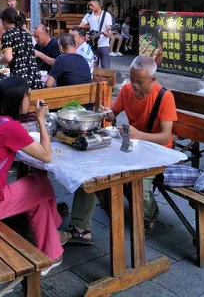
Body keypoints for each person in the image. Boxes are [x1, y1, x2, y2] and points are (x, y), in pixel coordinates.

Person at [68, 55, 177, 244]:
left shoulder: (165, 97)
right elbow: (113, 113)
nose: (134, 85)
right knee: (93, 171)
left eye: (139, 82)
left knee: (138, 186)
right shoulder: (126, 90)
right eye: (132, 79)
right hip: (131, 145)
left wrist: (140, 135)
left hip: (157, 151)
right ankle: (83, 225)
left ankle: (150, 214)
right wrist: (106, 113)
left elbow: (166, 137)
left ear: (153, 80)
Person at [0, 76, 69, 271]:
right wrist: (40, 118)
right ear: (16, 101)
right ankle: (52, 249)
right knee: (40, 185)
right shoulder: (9, 127)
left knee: (37, 188)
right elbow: (47, 156)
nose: (29, 99)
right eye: (26, 96)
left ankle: (53, 241)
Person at [0, 8, 42, 89]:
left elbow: (8, 58)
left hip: (20, 77)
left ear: (4, 21)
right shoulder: (26, 34)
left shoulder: (8, 34)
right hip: (34, 75)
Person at [80, 0, 113, 68]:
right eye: (89, 5)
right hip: (92, 44)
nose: (90, 7)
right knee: (93, 66)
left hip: (104, 45)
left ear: (98, 4)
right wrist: (85, 35)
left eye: (91, 5)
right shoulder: (89, 15)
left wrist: (107, 34)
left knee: (105, 67)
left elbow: (109, 30)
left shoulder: (107, 15)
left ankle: (105, 80)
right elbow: (81, 26)